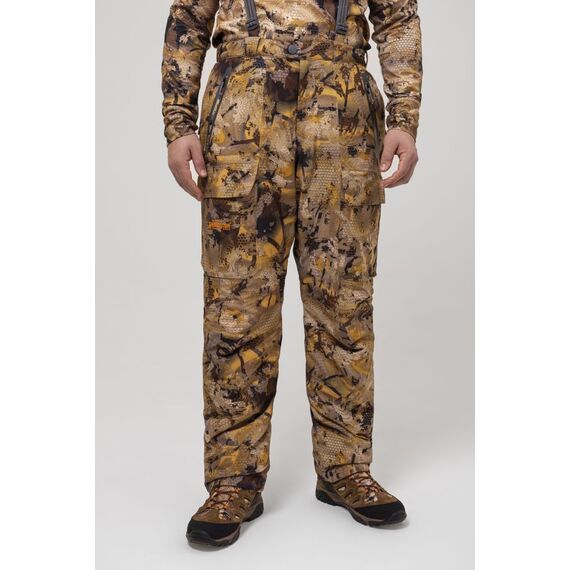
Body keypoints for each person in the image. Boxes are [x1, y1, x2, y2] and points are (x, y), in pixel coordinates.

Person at [162, 0, 422, 547]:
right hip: (243, 116)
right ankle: (233, 481)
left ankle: (345, 468)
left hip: (342, 117)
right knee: (237, 308)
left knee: (344, 304)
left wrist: (404, 117)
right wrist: (178, 122)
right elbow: (187, 15)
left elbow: (398, 15)